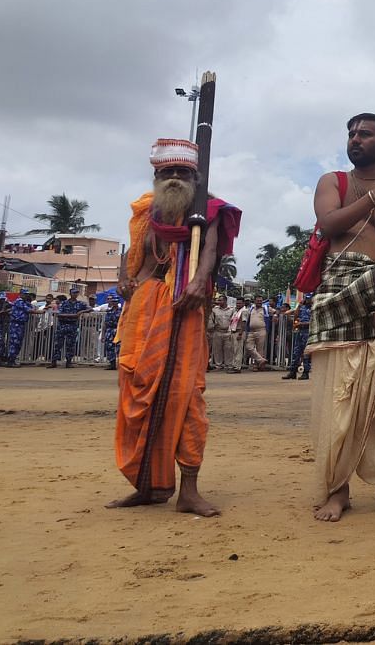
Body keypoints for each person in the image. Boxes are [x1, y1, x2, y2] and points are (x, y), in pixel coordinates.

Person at [107, 137, 241, 516]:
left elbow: (210, 252)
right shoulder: (146, 213)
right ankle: (147, 485)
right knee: (136, 392)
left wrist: (200, 280)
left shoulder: (208, 210)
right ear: (156, 176)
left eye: (183, 172)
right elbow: (132, 257)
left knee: (187, 397)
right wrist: (125, 280)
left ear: (195, 177)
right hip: (143, 311)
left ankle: (189, 491)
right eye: (167, 172)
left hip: (184, 307)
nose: (175, 178)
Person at [307, 112, 375, 522]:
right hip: (339, 294)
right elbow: (328, 223)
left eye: (366, 133)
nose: (356, 139)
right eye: (351, 133)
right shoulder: (333, 183)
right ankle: (338, 490)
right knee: (338, 398)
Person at [48, 287, 91, 368]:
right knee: (58, 344)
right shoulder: (64, 303)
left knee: (70, 344)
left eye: (76, 293)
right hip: (62, 324)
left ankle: (69, 362)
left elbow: (90, 309)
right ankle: (54, 361)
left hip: (72, 325)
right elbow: (58, 314)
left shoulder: (80, 304)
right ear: (70, 294)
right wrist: (74, 315)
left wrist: (81, 311)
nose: (75, 294)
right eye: (74, 293)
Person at [5, 289, 41, 367]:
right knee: (14, 343)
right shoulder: (19, 301)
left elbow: (31, 307)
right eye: (25, 294)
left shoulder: (25, 302)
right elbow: (29, 310)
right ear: (21, 294)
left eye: (27, 294)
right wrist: (40, 312)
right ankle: (10, 361)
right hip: (16, 325)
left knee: (18, 343)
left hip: (21, 325)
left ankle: (13, 359)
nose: (26, 295)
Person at [281, 293, 313, 380]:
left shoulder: (314, 308)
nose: (307, 300)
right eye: (306, 298)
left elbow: (313, 322)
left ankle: (305, 372)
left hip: (308, 331)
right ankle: (293, 372)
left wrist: (302, 323)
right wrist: (299, 306)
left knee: (306, 353)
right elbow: (296, 315)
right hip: (300, 331)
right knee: (296, 352)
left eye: (309, 299)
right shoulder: (302, 307)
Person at [239, 295, 271, 371]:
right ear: (254, 301)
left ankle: (257, 366)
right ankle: (261, 360)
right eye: (258, 300)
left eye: (261, 301)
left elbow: (276, 311)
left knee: (260, 349)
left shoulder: (266, 308)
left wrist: (275, 315)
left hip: (261, 330)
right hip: (251, 331)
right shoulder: (251, 309)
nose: (259, 302)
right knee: (248, 347)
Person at [208, 295, 237, 370]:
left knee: (228, 349)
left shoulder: (232, 310)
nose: (219, 302)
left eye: (220, 300)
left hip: (228, 332)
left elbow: (234, 320)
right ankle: (218, 365)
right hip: (217, 331)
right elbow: (211, 319)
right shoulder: (214, 310)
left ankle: (228, 365)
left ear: (225, 301)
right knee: (217, 349)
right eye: (218, 300)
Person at [101, 294, 122, 370]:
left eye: (115, 301)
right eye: (113, 301)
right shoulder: (109, 311)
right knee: (109, 347)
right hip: (109, 330)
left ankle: (120, 364)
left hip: (118, 330)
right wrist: (103, 335)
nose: (114, 303)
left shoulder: (122, 311)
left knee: (119, 348)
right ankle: (112, 363)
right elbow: (105, 324)